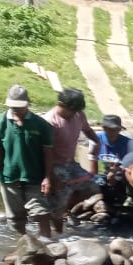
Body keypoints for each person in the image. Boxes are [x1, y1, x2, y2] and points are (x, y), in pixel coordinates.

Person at [0, 85, 55, 238]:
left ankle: (47, 243)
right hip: (9, 177)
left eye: (20, 107)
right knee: (15, 219)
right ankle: (24, 248)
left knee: (40, 213)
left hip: (35, 177)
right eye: (13, 107)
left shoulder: (42, 125)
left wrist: (48, 177)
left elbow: (48, 153)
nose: (16, 110)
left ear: (28, 103)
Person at [43, 87, 101, 233]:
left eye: (77, 111)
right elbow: (43, 152)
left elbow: (87, 130)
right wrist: (49, 177)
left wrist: (96, 141)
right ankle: (58, 233)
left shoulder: (79, 115)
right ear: (61, 105)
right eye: (72, 111)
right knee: (61, 195)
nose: (75, 114)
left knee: (93, 187)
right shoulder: (50, 121)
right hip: (54, 165)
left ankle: (65, 211)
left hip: (71, 163)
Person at [94, 114, 133, 218]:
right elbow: (92, 160)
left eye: (115, 129)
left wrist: (117, 170)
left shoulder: (128, 143)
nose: (112, 132)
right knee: (96, 181)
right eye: (109, 129)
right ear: (104, 128)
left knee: (118, 181)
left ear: (119, 129)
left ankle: (126, 202)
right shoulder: (97, 139)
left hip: (123, 174)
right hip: (105, 174)